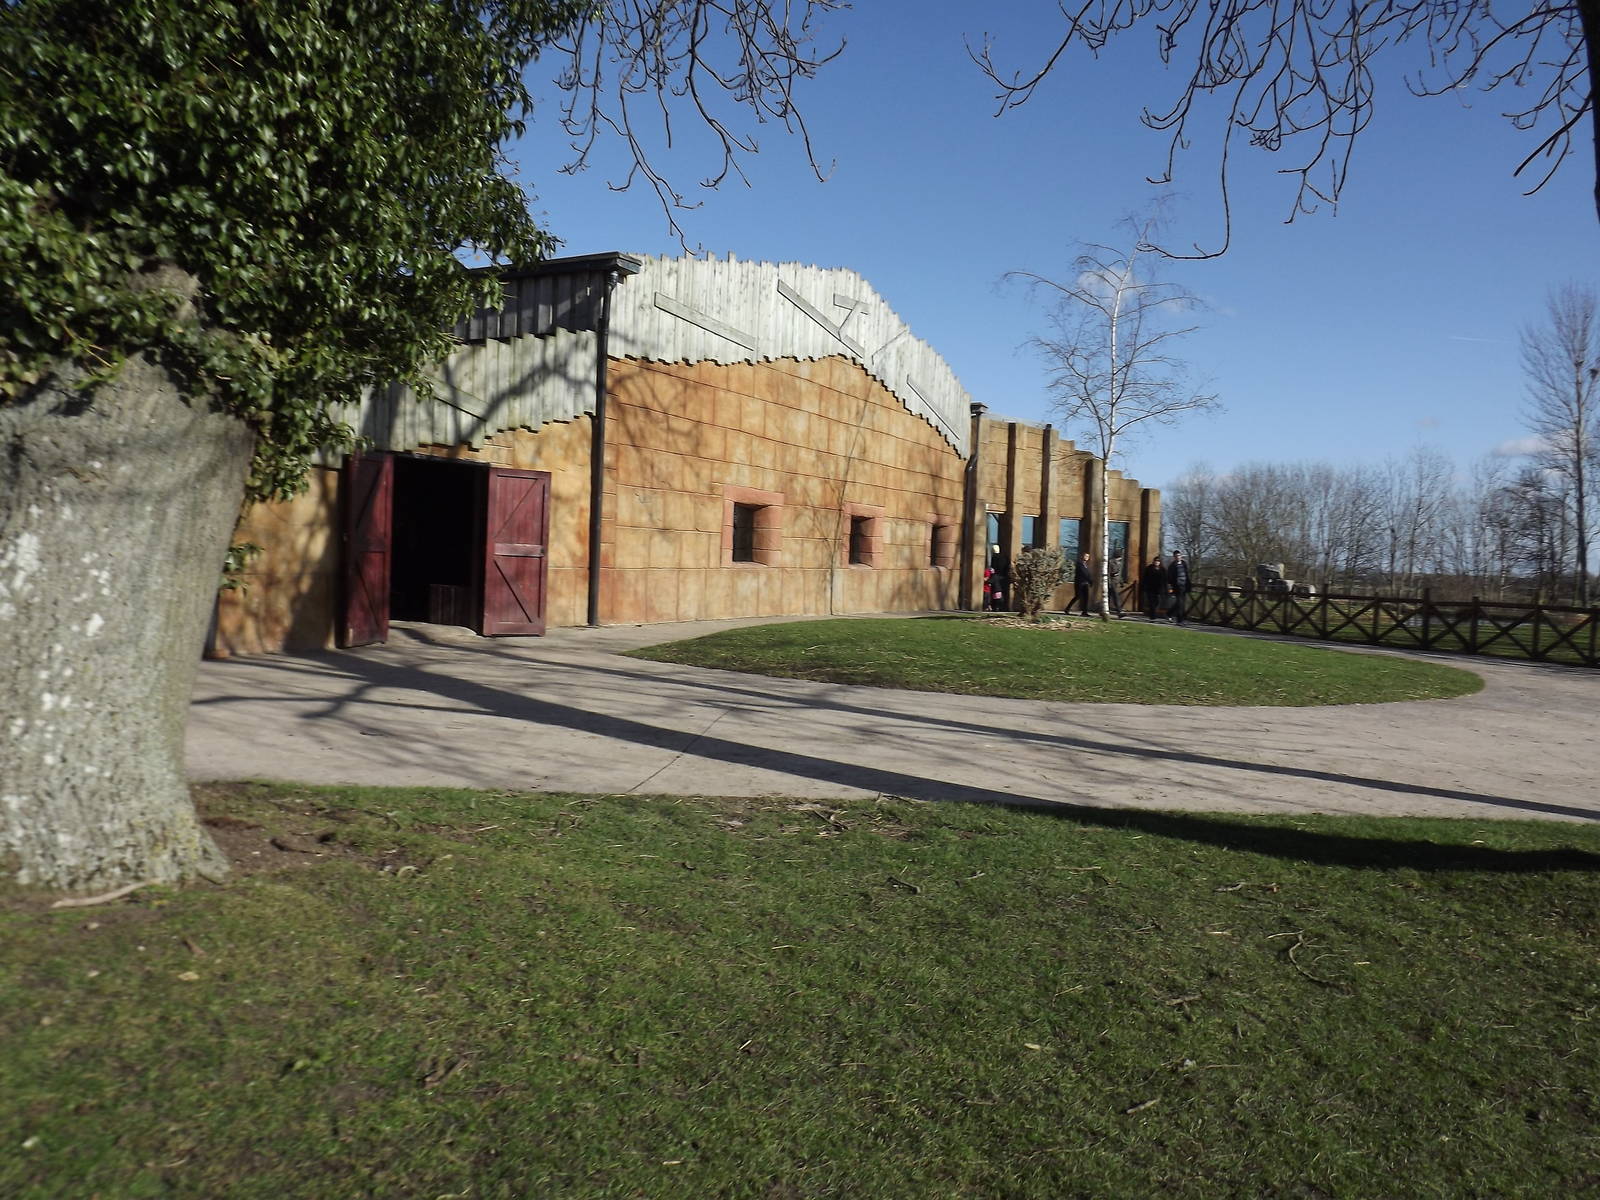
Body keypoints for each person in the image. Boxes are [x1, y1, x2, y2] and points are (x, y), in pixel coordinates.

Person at [1167, 549, 1191, 624]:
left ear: (1181, 556)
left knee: (1181, 602)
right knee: (1180, 603)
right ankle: (1179, 620)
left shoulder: (1184, 563)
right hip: (1177, 585)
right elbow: (1169, 577)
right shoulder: (1172, 566)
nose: (1178, 557)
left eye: (1179, 555)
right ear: (1174, 557)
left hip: (1184, 585)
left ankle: (1169, 613)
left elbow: (1186, 574)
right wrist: (1171, 587)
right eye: (1176, 556)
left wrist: (1188, 584)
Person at [1141, 554, 1167, 619]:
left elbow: (1165, 580)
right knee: (1151, 602)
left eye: (1158, 561)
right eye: (1155, 561)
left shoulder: (1163, 570)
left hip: (1158, 589)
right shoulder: (1149, 568)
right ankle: (1152, 616)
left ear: (1160, 562)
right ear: (1153, 561)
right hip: (1150, 588)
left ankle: (1153, 614)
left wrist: (1165, 589)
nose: (1157, 562)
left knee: (1157, 602)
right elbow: (1145, 578)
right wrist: (1144, 586)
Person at [1072, 550, 1094, 615]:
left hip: (1085, 584)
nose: (1087, 557)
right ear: (1082, 556)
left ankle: (1085, 612)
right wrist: (1089, 580)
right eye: (1086, 556)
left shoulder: (1086, 565)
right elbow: (1083, 573)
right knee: (1077, 596)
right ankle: (1067, 609)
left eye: (1088, 556)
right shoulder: (1079, 564)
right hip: (1079, 583)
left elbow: (1088, 574)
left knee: (1086, 598)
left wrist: (1090, 581)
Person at [1107, 551, 1125, 617]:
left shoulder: (1120, 563)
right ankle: (1119, 611)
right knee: (1115, 596)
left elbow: (1119, 573)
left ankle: (1104, 610)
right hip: (1111, 582)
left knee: (1108, 597)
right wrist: (1109, 582)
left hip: (1116, 582)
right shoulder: (1111, 562)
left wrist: (1121, 582)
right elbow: (1108, 573)